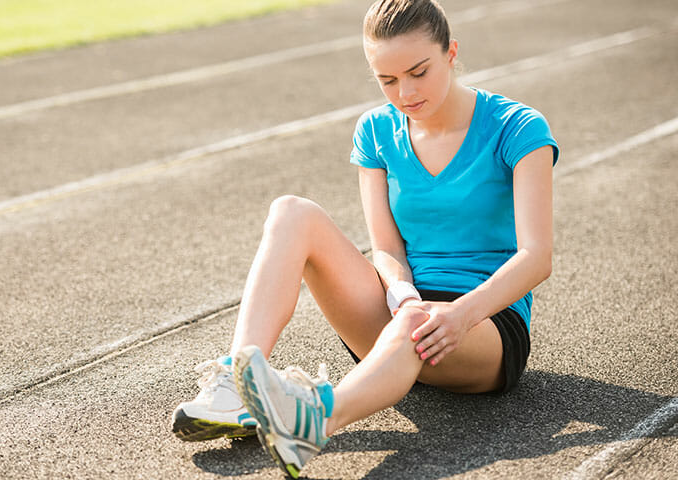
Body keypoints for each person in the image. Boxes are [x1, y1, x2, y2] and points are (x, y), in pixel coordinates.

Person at [171, 0, 559, 477]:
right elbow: (388, 249)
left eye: (418, 72)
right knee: (292, 212)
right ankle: (236, 385)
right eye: (388, 80)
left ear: (452, 52)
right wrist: (401, 293)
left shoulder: (518, 128)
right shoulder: (376, 130)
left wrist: (459, 315)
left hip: (484, 324)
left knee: (412, 325)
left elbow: (536, 256)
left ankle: (314, 419)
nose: (405, 93)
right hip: (403, 307)